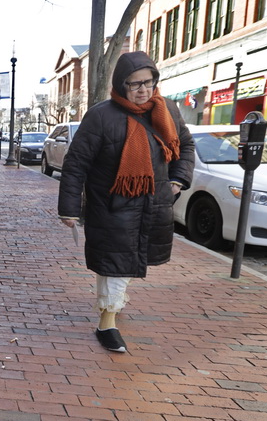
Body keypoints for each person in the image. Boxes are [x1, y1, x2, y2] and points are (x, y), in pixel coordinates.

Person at [58, 51, 195, 353]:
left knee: (127, 261)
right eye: (134, 84)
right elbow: (76, 163)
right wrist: (68, 208)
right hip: (111, 207)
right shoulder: (101, 115)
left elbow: (185, 145)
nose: (142, 90)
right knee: (115, 265)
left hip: (153, 205)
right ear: (121, 85)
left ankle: (114, 305)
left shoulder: (167, 110)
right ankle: (107, 322)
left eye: (147, 82)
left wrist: (177, 180)